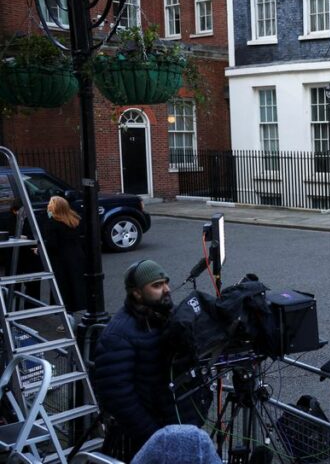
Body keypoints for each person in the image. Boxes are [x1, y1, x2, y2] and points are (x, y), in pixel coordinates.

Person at [92, 260, 207, 460]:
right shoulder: (118, 335)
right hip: (147, 441)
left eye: (165, 283)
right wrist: (155, 437)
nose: (166, 290)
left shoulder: (169, 318)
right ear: (136, 292)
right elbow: (118, 398)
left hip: (179, 428)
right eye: (157, 285)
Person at [41, 196, 86, 312]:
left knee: (62, 288)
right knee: (75, 285)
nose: (48, 206)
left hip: (61, 260)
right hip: (76, 256)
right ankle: (76, 309)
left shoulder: (52, 223)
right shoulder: (74, 219)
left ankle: (66, 315)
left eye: (50, 204)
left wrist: (40, 249)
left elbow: (52, 244)